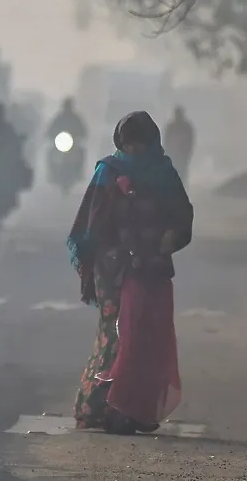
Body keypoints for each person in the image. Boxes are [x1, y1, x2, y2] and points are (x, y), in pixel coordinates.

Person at [66, 111, 191, 435]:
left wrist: (172, 237)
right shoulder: (108, 172)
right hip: (114, 270)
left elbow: (182, 216)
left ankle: (138, 410)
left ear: (152, 144)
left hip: (153, 270)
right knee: (117, 337)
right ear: (120, 143)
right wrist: (105, 256)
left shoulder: (164, 173)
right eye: (129, 144)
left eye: (140, 144)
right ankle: (105, 407)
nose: (134, 151)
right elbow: (90, 224)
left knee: (148, 339)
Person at [163, 106, 195, 183]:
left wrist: (188, 153)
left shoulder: (186, 127)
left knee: (182, 173)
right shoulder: (171, 127)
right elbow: (166, 141)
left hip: (182, 154)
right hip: (173, 154)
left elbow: (190, 141)